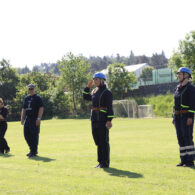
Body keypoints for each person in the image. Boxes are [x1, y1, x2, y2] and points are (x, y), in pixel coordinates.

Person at [83, 72, 114, 168]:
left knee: (103, 141)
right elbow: (85, 97)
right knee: (97, 141)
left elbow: (110, 107)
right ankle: (100, 161)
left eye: (97, 79)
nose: (95, 81)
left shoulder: (107, 92)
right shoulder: (94, 92)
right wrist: (87, 88)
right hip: (94, 119)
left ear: (102, 80)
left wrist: (109, 120)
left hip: (103, 119)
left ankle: (105, 163)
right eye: (94, 79)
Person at [173, 67, 195, 167]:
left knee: (187, 137)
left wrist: (190, 116)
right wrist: (174, 116)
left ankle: (190, 161)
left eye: (180, 74)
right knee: (180, 138)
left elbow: (192, 104)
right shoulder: (178, 88)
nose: (178, 75)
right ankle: (183, 160)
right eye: (178, 74)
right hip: (178, 117)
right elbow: (175, 103)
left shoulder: (190, 88)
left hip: (186, 116)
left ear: (186, 75)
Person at [21, 84, 44, 157]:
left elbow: (41, 108)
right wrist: (22, 118)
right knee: (26, 134)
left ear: (34, 89)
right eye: (29, 89)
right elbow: (24, 108)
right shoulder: (26, 98)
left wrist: (38, 118)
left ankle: (33, 151)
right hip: (28, 118)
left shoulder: (38, 98)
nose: (30, 90)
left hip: (35, 118)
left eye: (32, 88)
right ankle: (32, 149)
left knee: (34, 135)